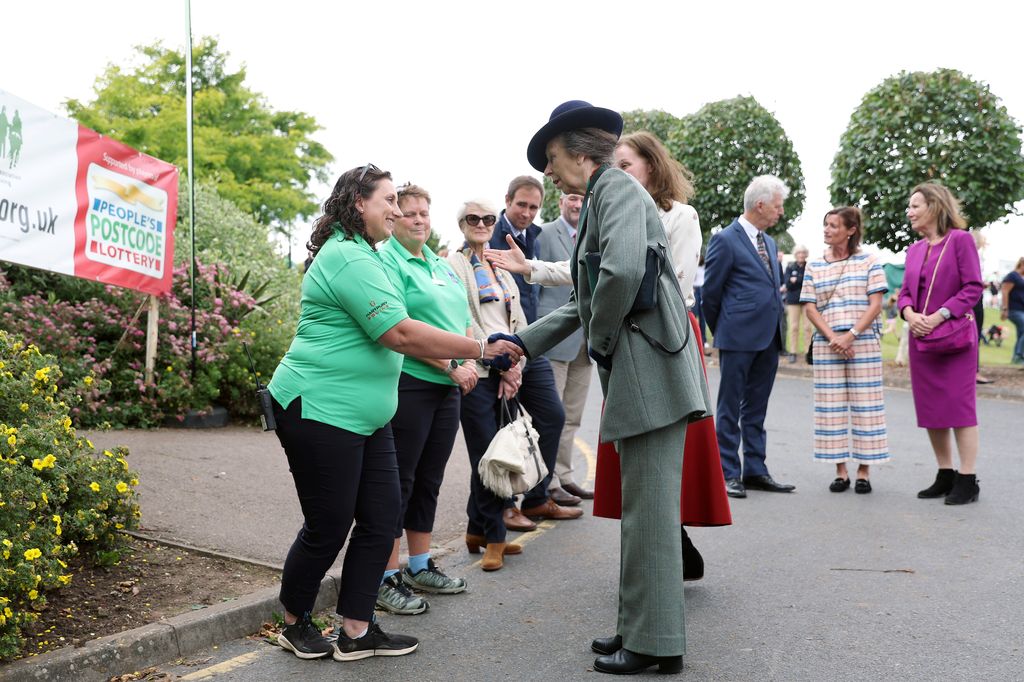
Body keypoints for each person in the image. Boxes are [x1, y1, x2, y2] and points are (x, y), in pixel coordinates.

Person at [267, 165, 522, 661]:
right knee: (330, 524)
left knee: (384, 515)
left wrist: (463, 350)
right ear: (358, 202)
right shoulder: (345, 256)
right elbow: (399, 333)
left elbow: (417, 318)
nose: (397, 209)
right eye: (387, 200)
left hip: (369, 416)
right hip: (318, 409)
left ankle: (358, 630)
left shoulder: (369, 254)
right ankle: (294, 622)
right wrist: (478, 348)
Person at [506, 99, 712, 675]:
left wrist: (600, 343)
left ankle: (656, 644)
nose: (547, 173)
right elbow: (583, 297)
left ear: (577, 152)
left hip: (649, 372)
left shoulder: (615, 190)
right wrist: (523, 343)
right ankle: (637, 628)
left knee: (648, 514)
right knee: (643, 511)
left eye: (551, 158)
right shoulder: (606, 196)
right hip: (647, 370)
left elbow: (618, 275)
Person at [448, 198, 576, 571]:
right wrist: (500, 361)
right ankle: (495, 539)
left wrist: (516, 359)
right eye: (473, 218)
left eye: (488, 218)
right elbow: (465, 316)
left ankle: (477, 527)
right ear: (461, 223)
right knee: (488, 456)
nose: (482, 223)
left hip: (511, 361)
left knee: (504, 445)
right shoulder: (453, 265)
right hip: (480, 367)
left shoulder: (499, 262)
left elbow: (516, 312)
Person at [374, 184, 475, 616]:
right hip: (412, 382)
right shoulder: (387, 262)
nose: (417, 219)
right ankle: (384, 575)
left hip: (449, 386)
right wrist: (452, 364)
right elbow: (405, 330)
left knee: (430, 478)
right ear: (393, 218)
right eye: (408, 212)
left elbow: (464, 318)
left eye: (424, 213)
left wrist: (466, 362)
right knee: (400, 481)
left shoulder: (439, 263)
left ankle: (419, 564)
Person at [701, 175, 795, 499]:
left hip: (768, 338)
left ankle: (755, 470)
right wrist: (724, 328)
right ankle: (729, 473)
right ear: (760, 204)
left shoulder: (769, 242)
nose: (780, 212)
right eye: (778, 206)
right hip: (737, 338)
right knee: (729, 408)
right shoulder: (725, 239)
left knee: (756, 408)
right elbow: (710, 294)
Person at [488, 175, 573, 528]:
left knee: (552, 416)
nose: (526, 212)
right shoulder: (488, 234)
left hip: (530, 342)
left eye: (533, 207)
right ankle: (504, 506)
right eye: (521, 204)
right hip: (499, 343)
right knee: (501, 427)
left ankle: (537, 497)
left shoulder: (535, 237)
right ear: (507, 200)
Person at [899, 182, 983, 505]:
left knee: (960, 408)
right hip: (921, 338)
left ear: (934, 206)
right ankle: (945, 473)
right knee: (932, 408)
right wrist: (909, 314)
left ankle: (967, 478)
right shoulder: (914, 249)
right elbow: (905, 292)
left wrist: (939, 316)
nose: (910, 211)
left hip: (955, 339)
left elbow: (973, 287)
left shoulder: (960, 240)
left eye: (915, 205)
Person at [801, 207, 890, 493]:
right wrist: (832, 338)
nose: (827, 230)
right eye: (825, 224)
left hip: (862, 343)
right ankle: (840, 470)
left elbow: (876, 304)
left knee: (867, 406)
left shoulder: (870, 261)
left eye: (833, 225)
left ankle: (864, 471)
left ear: (850, 230)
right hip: (828, 345)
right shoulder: (814, 265)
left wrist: (851, 335)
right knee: (830, 407)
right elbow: (809, 306)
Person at [536, 192, 594, 503]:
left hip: (586, 341)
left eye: (582, 199)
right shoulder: (544, 234)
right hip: (555, 339)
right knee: (551, 414)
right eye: (572, 198)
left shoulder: (592, 233)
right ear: (560, 202)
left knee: (573, 416)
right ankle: (548, 482)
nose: (577, 204)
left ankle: (565, 475)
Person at [783, 245, 811, 362]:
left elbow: (809, 282)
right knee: (793, 327)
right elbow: (787, 284)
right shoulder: (790, 266)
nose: (801, 255)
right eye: (799, 253)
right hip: (793, 301)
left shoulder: (809, 267)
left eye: (803, 253)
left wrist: (796, 280)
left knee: (807, 327)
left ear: (805, 254)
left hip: (806, 301)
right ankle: (793, 352)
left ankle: (808, 352)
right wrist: (799, 280)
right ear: (795, 254)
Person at [1001, 257, 1024, 364]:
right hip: (1014, 309)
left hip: (1021, 309)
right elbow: (1005, 291)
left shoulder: (1021, 277)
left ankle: (1016, 359)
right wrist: (1005, 309)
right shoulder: (1013, 276)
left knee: (1021, 333)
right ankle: (1019, 355)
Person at [693, 253, 710, 354]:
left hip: (702, 289)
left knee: (702, 318)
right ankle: (694, 338)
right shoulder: (694, 265)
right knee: (694, 315)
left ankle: (704, 340)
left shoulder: (704, 266)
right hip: (695, 290)